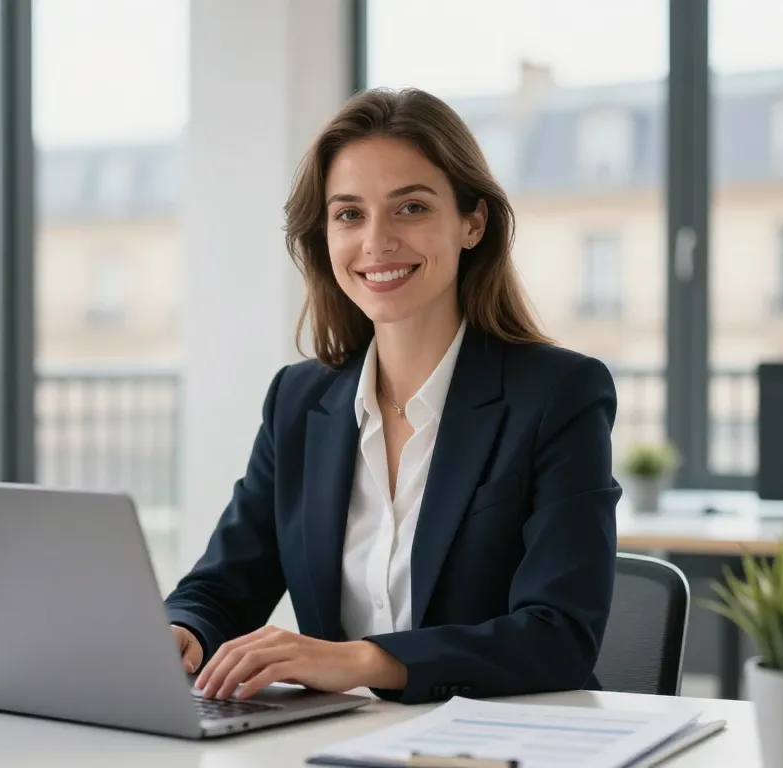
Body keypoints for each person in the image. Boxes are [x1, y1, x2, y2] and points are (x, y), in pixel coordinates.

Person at [165, 87, 621, 706]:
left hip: (501, 743)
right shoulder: (298, 402)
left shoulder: (559, 395)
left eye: (410, 208)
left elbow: (559, 636)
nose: (377, 242)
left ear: (472, 222)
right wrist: (182, 630)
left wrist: (362, 660)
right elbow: (223, 583)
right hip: (338, 742)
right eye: (349, 214)